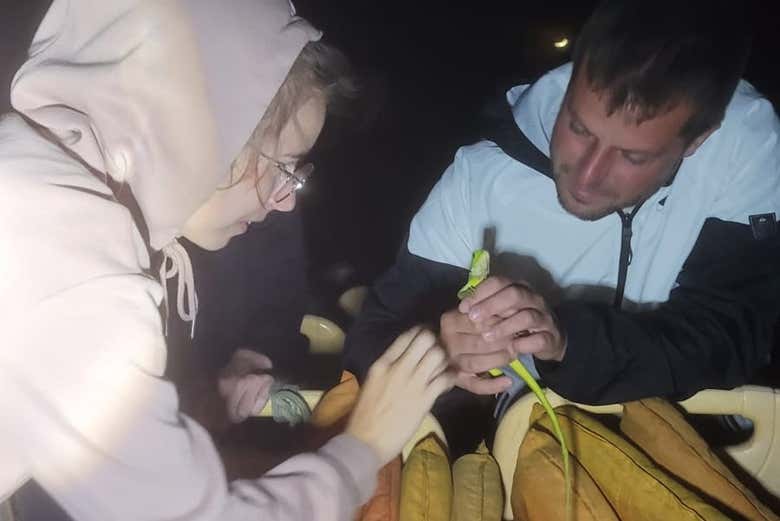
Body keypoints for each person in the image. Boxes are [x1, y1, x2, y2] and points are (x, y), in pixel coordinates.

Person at [0, 2, 454, 520]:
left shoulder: (35, 175)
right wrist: (365, 447)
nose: (286, 202)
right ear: (191, 121)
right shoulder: (77, 267)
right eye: (282, 167)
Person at [343, 0, 780, 454]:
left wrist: (571, 343)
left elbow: (732, 336)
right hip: (526, 443)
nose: (586, 178)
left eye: (632, 156)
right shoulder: (480, 175)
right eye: (578, 127)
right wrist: (439, 354)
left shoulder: (746, 142)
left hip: (704, 437)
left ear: (698, 140)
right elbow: (370, 341)